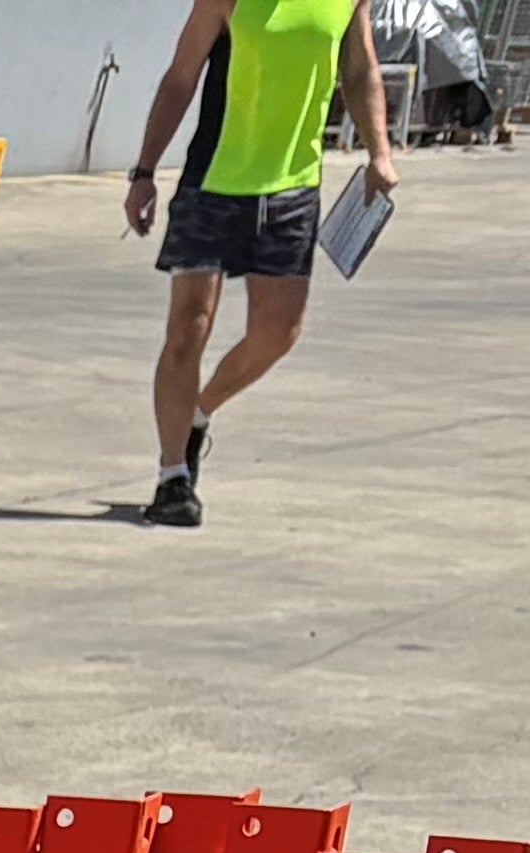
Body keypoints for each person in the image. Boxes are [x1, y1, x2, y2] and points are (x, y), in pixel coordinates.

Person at [121, 0, 399, 526]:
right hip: (213, 184)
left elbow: (359, 70)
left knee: (278, 335)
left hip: (292, 189)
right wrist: (144, 172)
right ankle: (172, 476)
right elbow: (181, 77)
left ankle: (197, 415)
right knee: (188, 329)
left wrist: (379, 152)